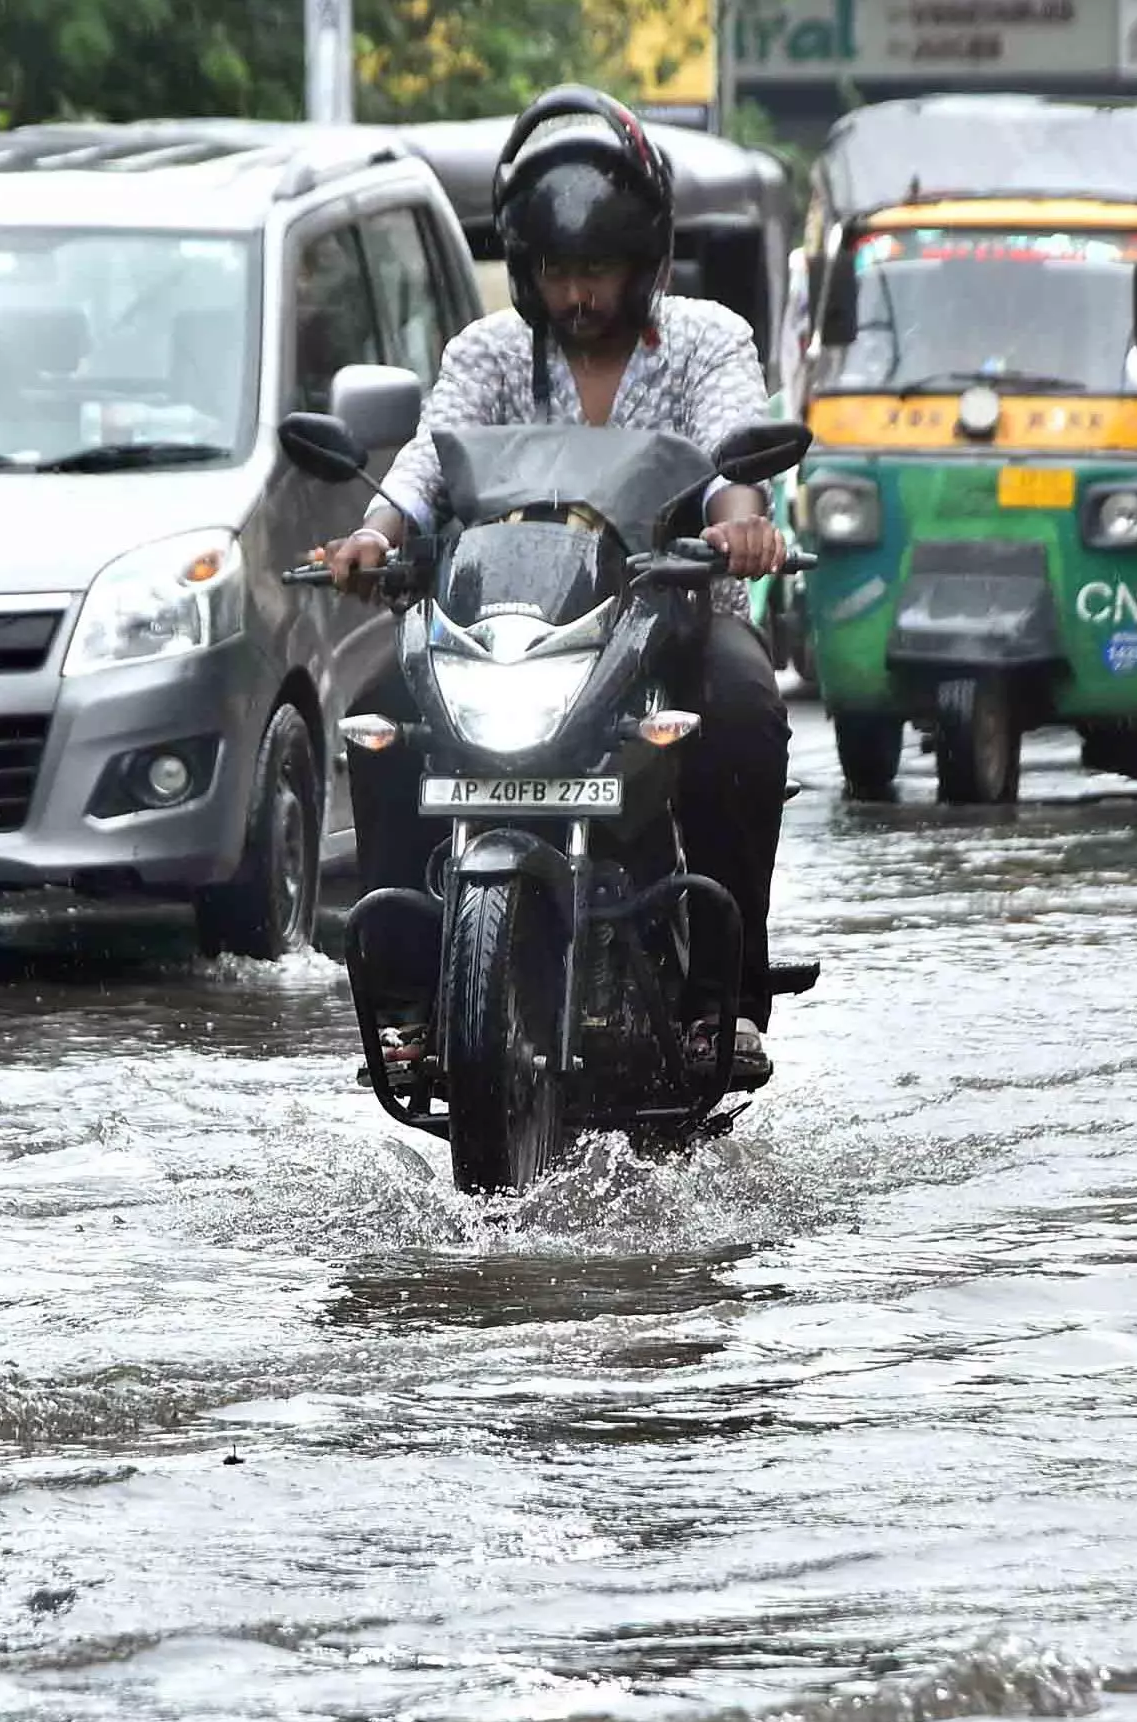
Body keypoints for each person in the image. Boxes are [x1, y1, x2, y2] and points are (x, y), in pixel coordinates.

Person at [312, 87, 791, 1070]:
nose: (580, 294)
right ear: (527, 270)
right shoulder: (484, 353)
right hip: (506, 631)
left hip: (667, 624)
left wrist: (742, 527)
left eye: (601, 270)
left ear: (647, 263)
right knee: (376, 708)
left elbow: (734, 464)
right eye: (560, 270)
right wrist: (375, 534)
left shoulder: (708, 342)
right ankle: (406, 996)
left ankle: (721, 1003)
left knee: (745, 708)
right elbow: (426, 464)